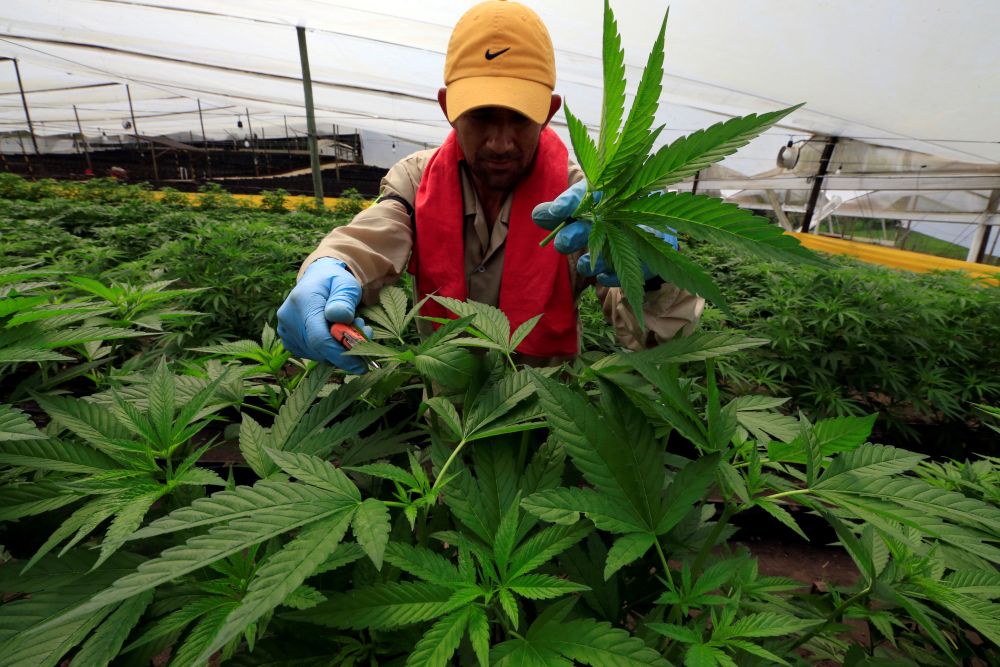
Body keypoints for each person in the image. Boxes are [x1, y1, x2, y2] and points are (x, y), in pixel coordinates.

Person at [277, 0, 703, 373]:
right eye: (482, 116)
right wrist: (329, 268)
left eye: (519, 118)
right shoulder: (416, 179)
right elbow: (375, 233)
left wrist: (654, 275)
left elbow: (659, 345)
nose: (500, 143)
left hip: (547, 421)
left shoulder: (583, 200)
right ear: (448, 108)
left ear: (549, 111)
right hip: (449, 421)